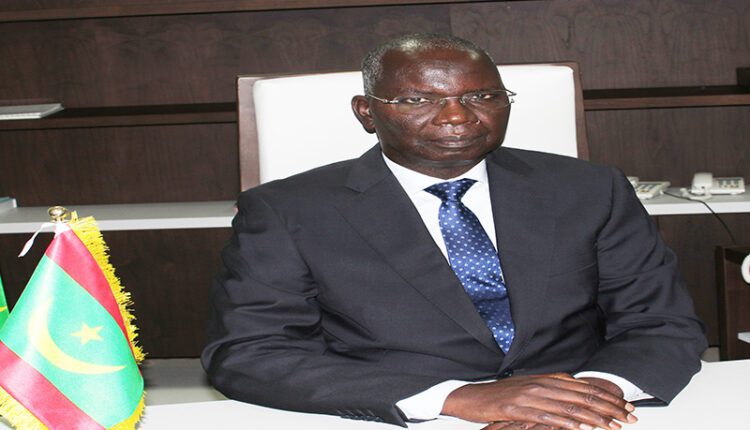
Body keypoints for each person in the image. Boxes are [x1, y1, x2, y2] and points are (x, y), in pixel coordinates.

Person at [202, 33, 707, 430]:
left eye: (482, 95)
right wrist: (458, 397)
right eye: (417, 99)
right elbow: (248, 353)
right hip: (398, 414)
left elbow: (660, 321)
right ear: (367, 112)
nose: (457, 117)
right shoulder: (288, 210)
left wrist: (582, 399)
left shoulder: (590, 188)